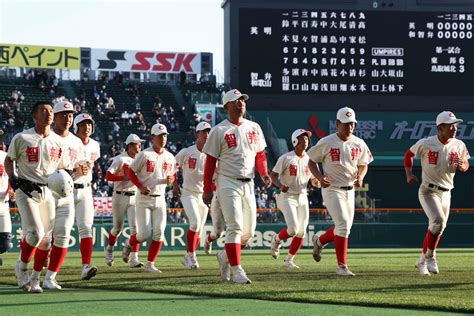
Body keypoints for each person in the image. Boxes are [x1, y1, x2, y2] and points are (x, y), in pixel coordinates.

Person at [202, 89, 272, 284]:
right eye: (236, 100)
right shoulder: (219, 130)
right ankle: (237, 270)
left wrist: (264, 173)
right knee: (235, 226)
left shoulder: (254, 127)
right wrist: (207, 188)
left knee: (248, 232)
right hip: (227, 181)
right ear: (226, 107)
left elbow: (260, 155)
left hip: (249, 182)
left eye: (242, 99)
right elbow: (210, 162)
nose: (241, 102)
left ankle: (224, 256)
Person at [5, 101, 66, 292]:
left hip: (48, 191)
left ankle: (35, 279)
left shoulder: (58, 141)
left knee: (47, 240)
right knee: (36, 232)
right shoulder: (22, 137)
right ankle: (21, 266)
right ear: (34, 116)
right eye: (43, 111)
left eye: (50, 111)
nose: (48, 114)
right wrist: (14, 179)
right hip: (26, 189)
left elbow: (62, 169)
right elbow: (9, 160)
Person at [308, 107, 373, 276]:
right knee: (343, 225)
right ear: (337, 124)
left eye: (352, 124)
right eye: (345, 124)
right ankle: (342, 266)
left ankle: (319, 241)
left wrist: (361, 175)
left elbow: (363, 163)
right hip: (332, 189)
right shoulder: (326, 142)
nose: (349, 127)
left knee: (343, 227)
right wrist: (319, 177)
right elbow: (311, 161)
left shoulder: (359, 143)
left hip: (350, 190)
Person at [404, 111, 469, 276]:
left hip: (446, 192)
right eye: (450, 125)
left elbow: (466, 165)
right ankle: (431, 256)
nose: (454, 128)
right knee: (437, 221)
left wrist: (462, 166)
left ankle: (422, 261)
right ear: (441, 127)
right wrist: (409, 174)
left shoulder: (459, 144)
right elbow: (409, 154)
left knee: (437, 228)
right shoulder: (427, 143)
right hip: (428, 190)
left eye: (455, 124)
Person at [30, 101, 86, 290]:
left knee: (62, 236)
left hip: (67, 192)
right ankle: (34, 277)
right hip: (47, 190)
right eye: (64, 114)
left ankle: (50, 277)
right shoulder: (46, 137)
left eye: (70, 115)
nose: (68, 118)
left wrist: (82, 168)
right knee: (44, 238)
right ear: (55, 117)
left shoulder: (75, 141)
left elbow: (78, 167)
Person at [122, 123, 176, 273]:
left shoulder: (169, 156)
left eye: (164, 135)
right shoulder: (144, 154)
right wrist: (139, 186)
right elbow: (131, 172)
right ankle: (129, 243)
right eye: (159, 136)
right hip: (144, 198)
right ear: (152, 137)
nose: (163, 138)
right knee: (144, 234)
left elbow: (172, 176)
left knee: (159, 232)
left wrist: (171, 182)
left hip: (160, 198)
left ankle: (150, 264)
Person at [270, 129, 317, 269]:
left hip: (302, 196)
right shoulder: (286, 158)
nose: (306, 141)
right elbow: (273, 175)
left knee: (302, 231)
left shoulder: (310, 159)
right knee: (293, 230)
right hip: (287, 196)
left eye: (307, 139)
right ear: (295, 141)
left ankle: (289, 260)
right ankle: (276, 239)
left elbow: (314, 180)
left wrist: (317, 182)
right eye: (302, 139)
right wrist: (280, 185)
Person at [173, 121, 211, 269]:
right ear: (197, 134)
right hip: (188, 192)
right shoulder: (187, 152)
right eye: (204, 132)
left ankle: (188, 255)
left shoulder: (212, 155)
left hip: (203, 195)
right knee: (194, 223)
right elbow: (172, 167)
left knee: (199, 230)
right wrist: (175, 184)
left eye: (208, 132)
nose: (207, 135)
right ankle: (191, 255)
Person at [105, 133, 145, 268]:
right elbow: (108, 176)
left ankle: (134, 258)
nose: (139, 146)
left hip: (135, 196)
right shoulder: (120, 159)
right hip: (119, 195)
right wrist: (123, 178)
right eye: (136, 144)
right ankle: (110, 250)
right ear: (129, 145)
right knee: (117, 228)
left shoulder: (141, 159)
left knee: (136, 229)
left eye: (140, 144)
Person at [73, 113, 101, 280]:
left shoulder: (95, 145)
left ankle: (86, 266)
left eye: (89, 124)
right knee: (56, 230)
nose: (87, 127)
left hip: (85, 190)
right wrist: (73, 171)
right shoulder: (68, 141)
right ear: (76, 127)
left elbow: (93, 164)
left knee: (86, 228)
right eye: (83, 124)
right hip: (65, 190)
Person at [0, 147, 13, 266]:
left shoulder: (5, 156)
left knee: (5, 243)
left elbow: (11, 177)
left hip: (3, 203)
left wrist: (11, 188)